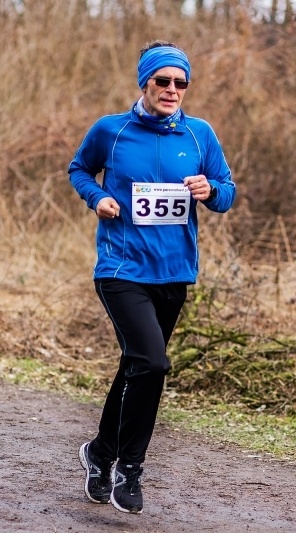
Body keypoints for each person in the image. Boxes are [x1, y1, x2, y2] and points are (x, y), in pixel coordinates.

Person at [68, 40, 236, 514]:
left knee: (136, 366)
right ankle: (130, 470)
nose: (172, 90)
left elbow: (227, 191)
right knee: (154, 364)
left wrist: (210, 190)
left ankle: (98, 454)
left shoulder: (200, 135)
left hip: (173, 273)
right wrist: (96, 198)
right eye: (163, 81)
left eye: (181, 83)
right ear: (145, 82)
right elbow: (79, 169)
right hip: (121, 269)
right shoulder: (112, 131)